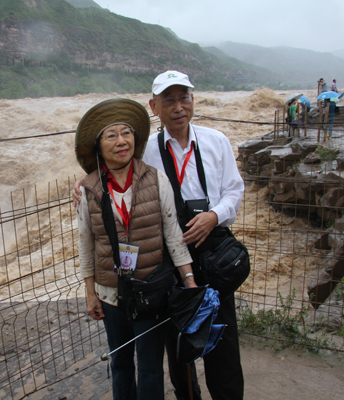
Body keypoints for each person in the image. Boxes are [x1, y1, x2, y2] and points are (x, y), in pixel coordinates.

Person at [74, 71, 245, 400]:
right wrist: (82, 181)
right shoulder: (145, 150)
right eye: (169, 100)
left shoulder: (216, 141)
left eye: (184, 98)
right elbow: (111, 169)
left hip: (211, 252)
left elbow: (234, 191)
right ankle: (187, 395)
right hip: (166, 259)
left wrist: (214, 216)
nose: (178, 107)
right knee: (175, 341)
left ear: (193, 101)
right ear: (154, 106)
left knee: (221, 338)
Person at [75, 98, 197, 400]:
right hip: (110, 292)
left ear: (136, 140)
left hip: (151, 289)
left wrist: (189, 279)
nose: (121, 141)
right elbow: (86, 243)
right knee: (120, 362)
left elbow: (173, 234)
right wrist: (90, 293)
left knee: (151, 365)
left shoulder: (157, 180)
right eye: (111, 135)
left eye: (126, 133)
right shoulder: (89, 189)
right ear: (99, 146)